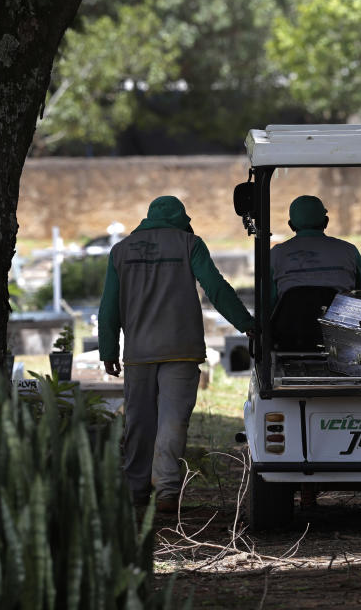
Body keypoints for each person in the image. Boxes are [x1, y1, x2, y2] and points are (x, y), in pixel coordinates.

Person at [98, 195, 253, 512]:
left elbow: (108, 307)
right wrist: (248, 324)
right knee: (173, 421)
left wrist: (108, 349)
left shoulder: (121, 250)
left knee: (139, 423)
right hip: (181, 350)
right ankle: (167, 491)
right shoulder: (189, 244)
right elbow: (216, 288)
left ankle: (135, 491)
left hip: (138, 353)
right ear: (181, 218)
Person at [269, 195, 361, 349]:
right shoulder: (348, 251)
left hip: (290, 341)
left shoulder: (276, 254)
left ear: (290, 225)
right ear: (326, 222)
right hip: (341, 339)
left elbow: (268, 304)